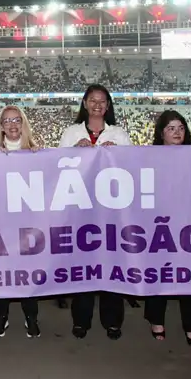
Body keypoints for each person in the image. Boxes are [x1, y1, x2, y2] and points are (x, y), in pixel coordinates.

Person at [59, 84, 131, 339]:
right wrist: (73, 153)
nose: (97, 104)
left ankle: (113, 320)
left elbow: (133, 168)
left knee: (112, 264)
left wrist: (117, 154)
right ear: (85, 103)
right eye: (92, 100)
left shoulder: (120, 134)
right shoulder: (71, 133)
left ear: (108, 106)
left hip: (111, 210)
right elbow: (56, 167)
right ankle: (81, 320)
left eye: (102, 101)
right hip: (81, 208)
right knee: (83, 266)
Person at [143, 110, 191, 347]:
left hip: (189, 223)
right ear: (161, 133)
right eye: (171, 128)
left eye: (180, 128)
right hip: (159, 224)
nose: (177, 132)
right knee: (159, 274)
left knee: (190, 277)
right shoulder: (149, 157)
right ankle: (156, 321)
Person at [0, 105, 41, 337]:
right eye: (7, 121)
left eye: (16, 119)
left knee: (28, 271)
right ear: (0, 126)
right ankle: (2, 316)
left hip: (29, 222)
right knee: (3, 273)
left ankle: (31, 317)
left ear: (23, 123)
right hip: (1, 222)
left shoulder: (37, 151)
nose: (12, 124)